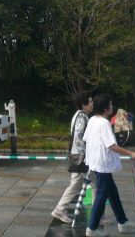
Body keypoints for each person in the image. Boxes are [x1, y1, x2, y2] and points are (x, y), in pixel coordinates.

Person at [83, 93, 135, 236]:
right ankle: (92, 229)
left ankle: (123, 222)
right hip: (102, 164)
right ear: (105, 108)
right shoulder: (104, 123)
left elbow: (86, 138)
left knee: (112, 193)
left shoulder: (92, 120)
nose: (112, 107)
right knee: (102, 195)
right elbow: (111, 145)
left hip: (96, 162)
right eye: (110, 104)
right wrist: (131, 153)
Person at [51, 90, 93, 223]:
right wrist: (86, 152)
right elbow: (78, 136)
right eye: (90, 101)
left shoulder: (78, 115)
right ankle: (97, 216)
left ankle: (60, 209)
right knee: (95, 183)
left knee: (76, 184)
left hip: (76, 154)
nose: (92, 104)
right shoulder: (82, 116)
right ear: (83, 104)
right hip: (80, 155)